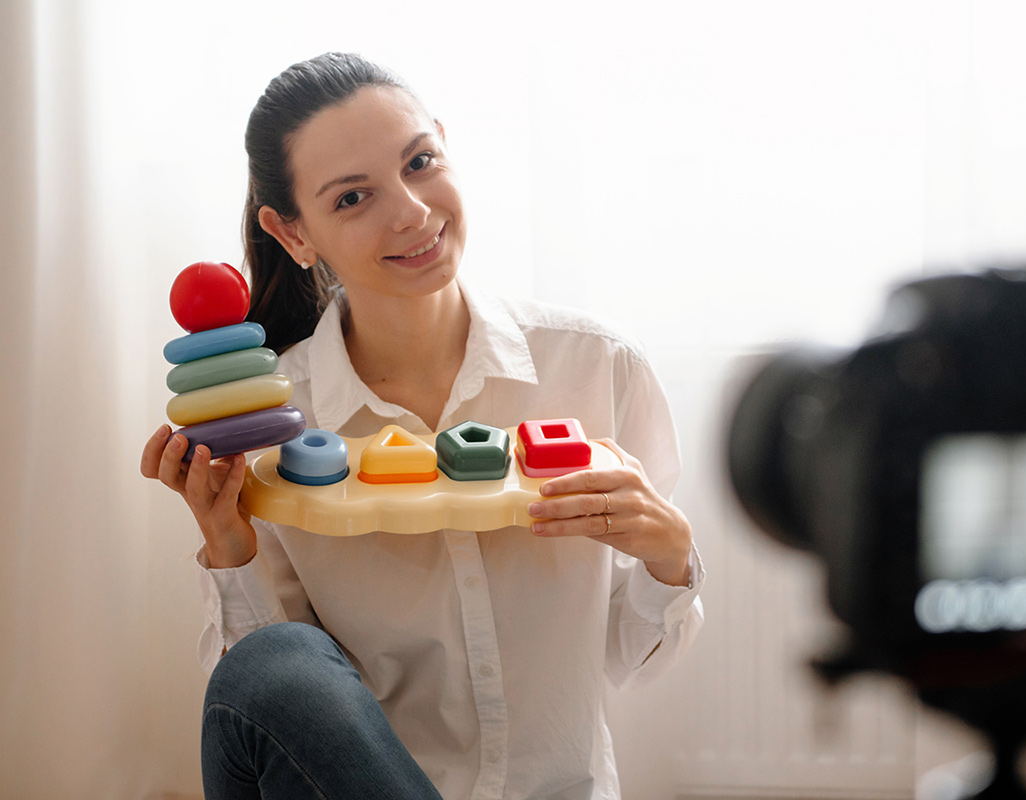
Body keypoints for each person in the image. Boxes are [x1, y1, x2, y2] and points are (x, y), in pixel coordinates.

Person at [141, 52, 704, 800]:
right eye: (352, 198)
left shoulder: (597, 367)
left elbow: (628, 660)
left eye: (420, 161)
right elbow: (276, 709)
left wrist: (669, 558)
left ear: (445, 142)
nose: (409, 210)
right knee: (275, 666)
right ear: (292, 232)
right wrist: (231, 545)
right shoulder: (272, 423)